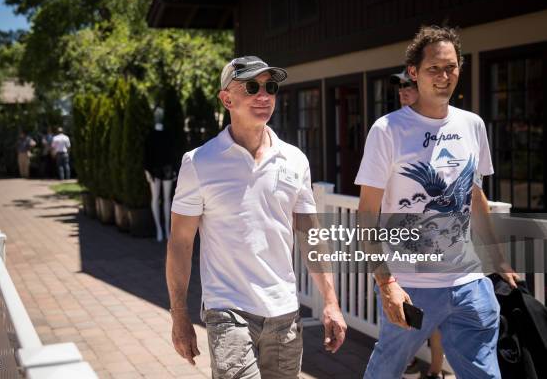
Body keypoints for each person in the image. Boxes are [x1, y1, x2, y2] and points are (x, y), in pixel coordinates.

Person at [166, 56, 347, 378]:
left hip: (285, 310)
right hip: (228, 309)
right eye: (251, 87)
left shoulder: (294, 159)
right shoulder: (199, 162)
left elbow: (310, 235)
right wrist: (179, 316)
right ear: (227, 99)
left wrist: (330, 302)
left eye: (270, 87)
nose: (263, 96)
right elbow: (180, 243)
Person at [356, 26, 520, 379]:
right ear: (413, 72)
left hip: (469, 283)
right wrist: (386, 284)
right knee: (385, 371)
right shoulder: (387, 130)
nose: (444, 77)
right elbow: (367, 213)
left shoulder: (473, 125)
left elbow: (475, 197)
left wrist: (498, 258)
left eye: (451, 67)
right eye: (434, 68)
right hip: (411, 286)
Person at [391, 70, 445, 379]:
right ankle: (408, 361)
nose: (403, 91)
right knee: (401, 303)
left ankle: (435, 369)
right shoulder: (393, 127)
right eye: (400, 86)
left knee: (432, 309)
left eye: (408, 85)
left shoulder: (437, 126)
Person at [144, 106, 176, 241]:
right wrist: (146, 170)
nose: (158, 115)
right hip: (153, 169)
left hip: (167, 168)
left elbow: (173, 153)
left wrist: (175, 169)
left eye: (160, 113)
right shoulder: (150, 135)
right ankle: (159, 229)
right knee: (155, 198)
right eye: (156, 113)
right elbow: (146, 155)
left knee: (167, 199)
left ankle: (168, 229)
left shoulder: (168, 134)